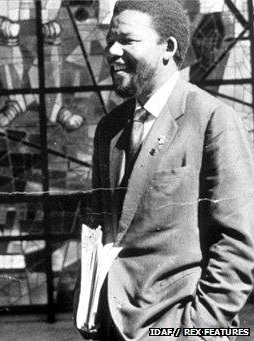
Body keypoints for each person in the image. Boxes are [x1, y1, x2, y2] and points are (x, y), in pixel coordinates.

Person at [74, 0, 254, 340]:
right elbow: (101, 228)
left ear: (167, 48)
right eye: (110, 39)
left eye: (126, 40)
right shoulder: (109, 129)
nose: (111, 50)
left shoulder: (213, 120)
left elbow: (237, 245)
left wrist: (193, 329)